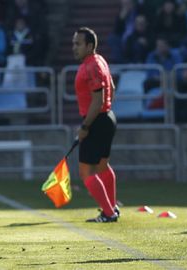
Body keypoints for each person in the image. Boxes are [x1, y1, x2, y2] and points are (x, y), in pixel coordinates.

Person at [72, 27, 119, 223]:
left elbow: (97, 101)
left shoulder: (91, 66)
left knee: (86, 172)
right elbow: (112, 89)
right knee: (102, 166)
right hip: (107, 117)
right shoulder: (100, 61)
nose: (74, 48)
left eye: (78, 44)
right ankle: (112, 207)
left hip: (96, 120)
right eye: (73, 43)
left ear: (90, 45)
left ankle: (108, 213)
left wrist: (85, 127)